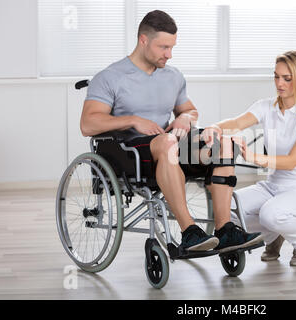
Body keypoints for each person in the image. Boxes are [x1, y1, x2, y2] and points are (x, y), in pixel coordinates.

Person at [80, 10, 262, 253]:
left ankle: (225, 229)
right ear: (143, 40)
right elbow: (88, 124)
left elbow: (189, 109)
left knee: (224, 144)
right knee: (167, 142)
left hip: (170, 145)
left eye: (172, 47)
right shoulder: (110, 77)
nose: (169, 54)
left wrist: (184, 118)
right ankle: (189, 232)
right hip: (130, 151)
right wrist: (133, 120)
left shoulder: (173, 76)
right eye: (163, 47)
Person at [203, 51, 296, 266]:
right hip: (272, 186)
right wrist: (214, 127)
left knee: (271, 214)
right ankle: (273, 236)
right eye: (276, 76)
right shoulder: (266, 106)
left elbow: (292, 160)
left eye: (287, 78)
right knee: (225, 208)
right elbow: (236, 122)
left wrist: (254, 157)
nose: (280, 83)